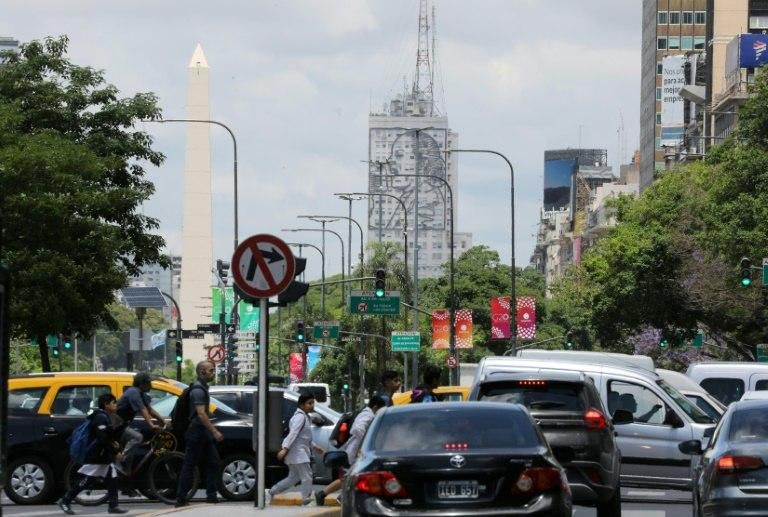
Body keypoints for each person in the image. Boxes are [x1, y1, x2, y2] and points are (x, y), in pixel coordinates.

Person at [58, 393, 128, 515]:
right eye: (113, 402)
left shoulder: (105, 416)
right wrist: (115, 451)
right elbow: (102, 438)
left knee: (112, 478)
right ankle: (65, 500)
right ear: (106, 405)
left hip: (102, 455)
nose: (116, 405)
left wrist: (114, 445)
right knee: (88, 480)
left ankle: (113, 505)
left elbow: (107, 436)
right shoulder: (100, 417)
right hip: (97, 455)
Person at [314, 395, 386, 506]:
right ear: (376, 407)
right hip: (354, 451)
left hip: (354, 451)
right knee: (348, 477)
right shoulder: (367, 415)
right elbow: (357, 429)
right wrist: (366, 442)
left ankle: (334, 496)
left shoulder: (367, 414)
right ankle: (326, 495)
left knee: (350, 476)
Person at [175, 361, 223, 507]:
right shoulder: (198, 390)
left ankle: (211, 495)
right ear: (202, 371)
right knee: (189, 465)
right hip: (196, 431)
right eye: (211, 370)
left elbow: (204, 412)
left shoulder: (202, 388)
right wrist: (214, 431)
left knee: (214, 462)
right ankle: (181, 498)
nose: (213, 373)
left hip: (202, 432)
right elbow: (201, 414)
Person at [266, 393, 323, 506]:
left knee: (293, 478)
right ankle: (306, 500)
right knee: (307, 476)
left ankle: (271, 492)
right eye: (309, 403)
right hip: (298, 452)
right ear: (302, 405)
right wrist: (285, 448)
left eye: (313, 403)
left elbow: (304, 437)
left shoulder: (305, 417)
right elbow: (293, 434)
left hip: (298, 452)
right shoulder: (300, 417)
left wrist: (315, 447)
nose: (312, 405)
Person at [116, 372, 165, 461]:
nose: (151, 386)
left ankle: (126, 471)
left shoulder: (141, 393)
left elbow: (150, 410)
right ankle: (121, 458)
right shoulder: (133, 392)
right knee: (138, 437)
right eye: (148, 383)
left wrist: (163, 420)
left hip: (123, 425)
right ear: (142, 384)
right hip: (116, 426)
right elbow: (143, 410)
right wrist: (152, 425)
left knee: (132, 453)